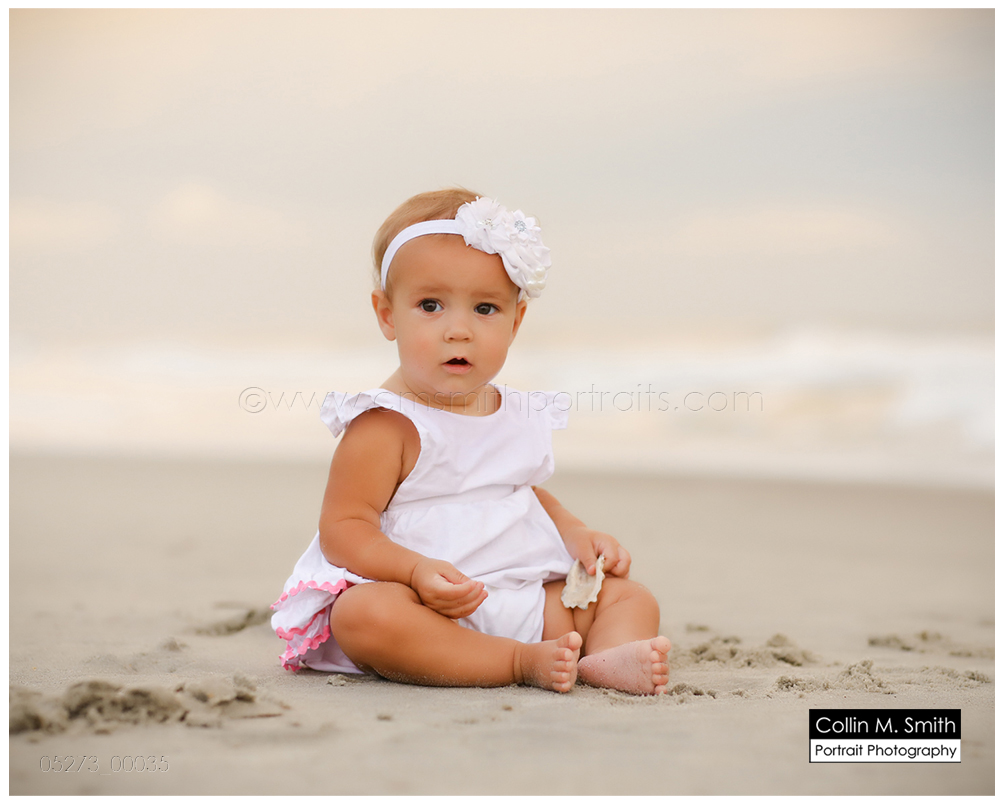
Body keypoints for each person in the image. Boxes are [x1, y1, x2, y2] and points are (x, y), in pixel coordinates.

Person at [271, 188, 671, 694]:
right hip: (422, 607)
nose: (458, 330)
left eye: (485, 309)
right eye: (431, 305)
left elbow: (522, 494)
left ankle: (610, 659)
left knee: (628, 597)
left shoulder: (517, 413)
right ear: (388, 314)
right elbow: (344, 528)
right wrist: (414, 572)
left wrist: (576, 533)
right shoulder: (385, 424)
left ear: (516, 321)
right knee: (362, 615)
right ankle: (516, 663)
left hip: (518, 595)